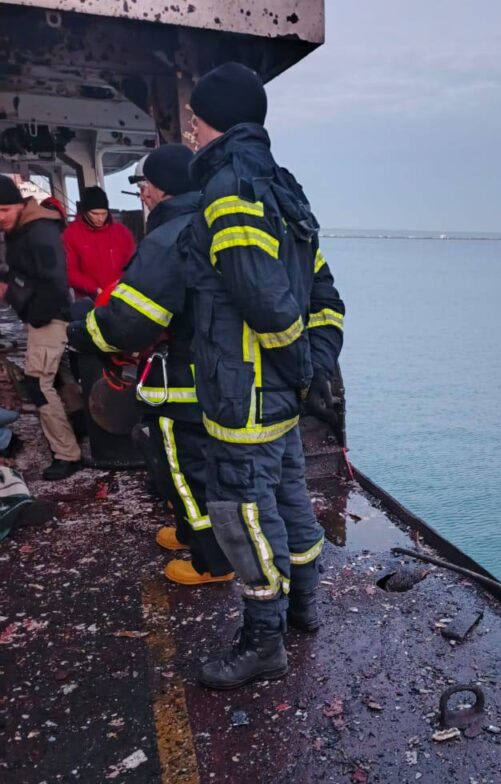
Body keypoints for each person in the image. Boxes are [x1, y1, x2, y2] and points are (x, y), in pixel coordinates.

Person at [185, 61, 345, 690]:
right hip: (277, 396)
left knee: (242, 515)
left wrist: (303, 369)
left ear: (214, 120)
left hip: (243, 394)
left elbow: (268, 301)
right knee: (290, 503)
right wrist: (317, 366)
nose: (192, 133)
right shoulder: (285, 187)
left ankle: (262, 642)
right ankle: (303, 609)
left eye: (195, 121)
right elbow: (323, 294)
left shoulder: (228, 191)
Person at [67, 145, 233, 585]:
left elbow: (127, 324)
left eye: (142, 185)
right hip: (217, 377)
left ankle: (211, 561)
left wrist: (81, 330)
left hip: (181, 383)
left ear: (159, 188)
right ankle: (189, 534)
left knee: (186, 470)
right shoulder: (212, 224)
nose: (140, 194)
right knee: (201, 468)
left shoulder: (167, 238)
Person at [0, 175, 83, 480]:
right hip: (42, 316)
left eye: (3, 210)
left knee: (38, 383)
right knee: (61, 378)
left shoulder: (39, 233)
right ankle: (81, 424)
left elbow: (55, 283)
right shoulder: (21, 231)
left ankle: (66, 454)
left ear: (19, 206)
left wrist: (27, 306)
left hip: (48, 318)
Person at [62, 185, 135, 300]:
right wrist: (93, 289)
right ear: (85, 212)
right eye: (95, 214)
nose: (100, 218)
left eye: (104, 213)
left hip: (120, 296)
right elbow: (69, 270)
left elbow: (132, 264)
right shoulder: (71, 234)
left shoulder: (122, 232)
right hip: (88, 299)